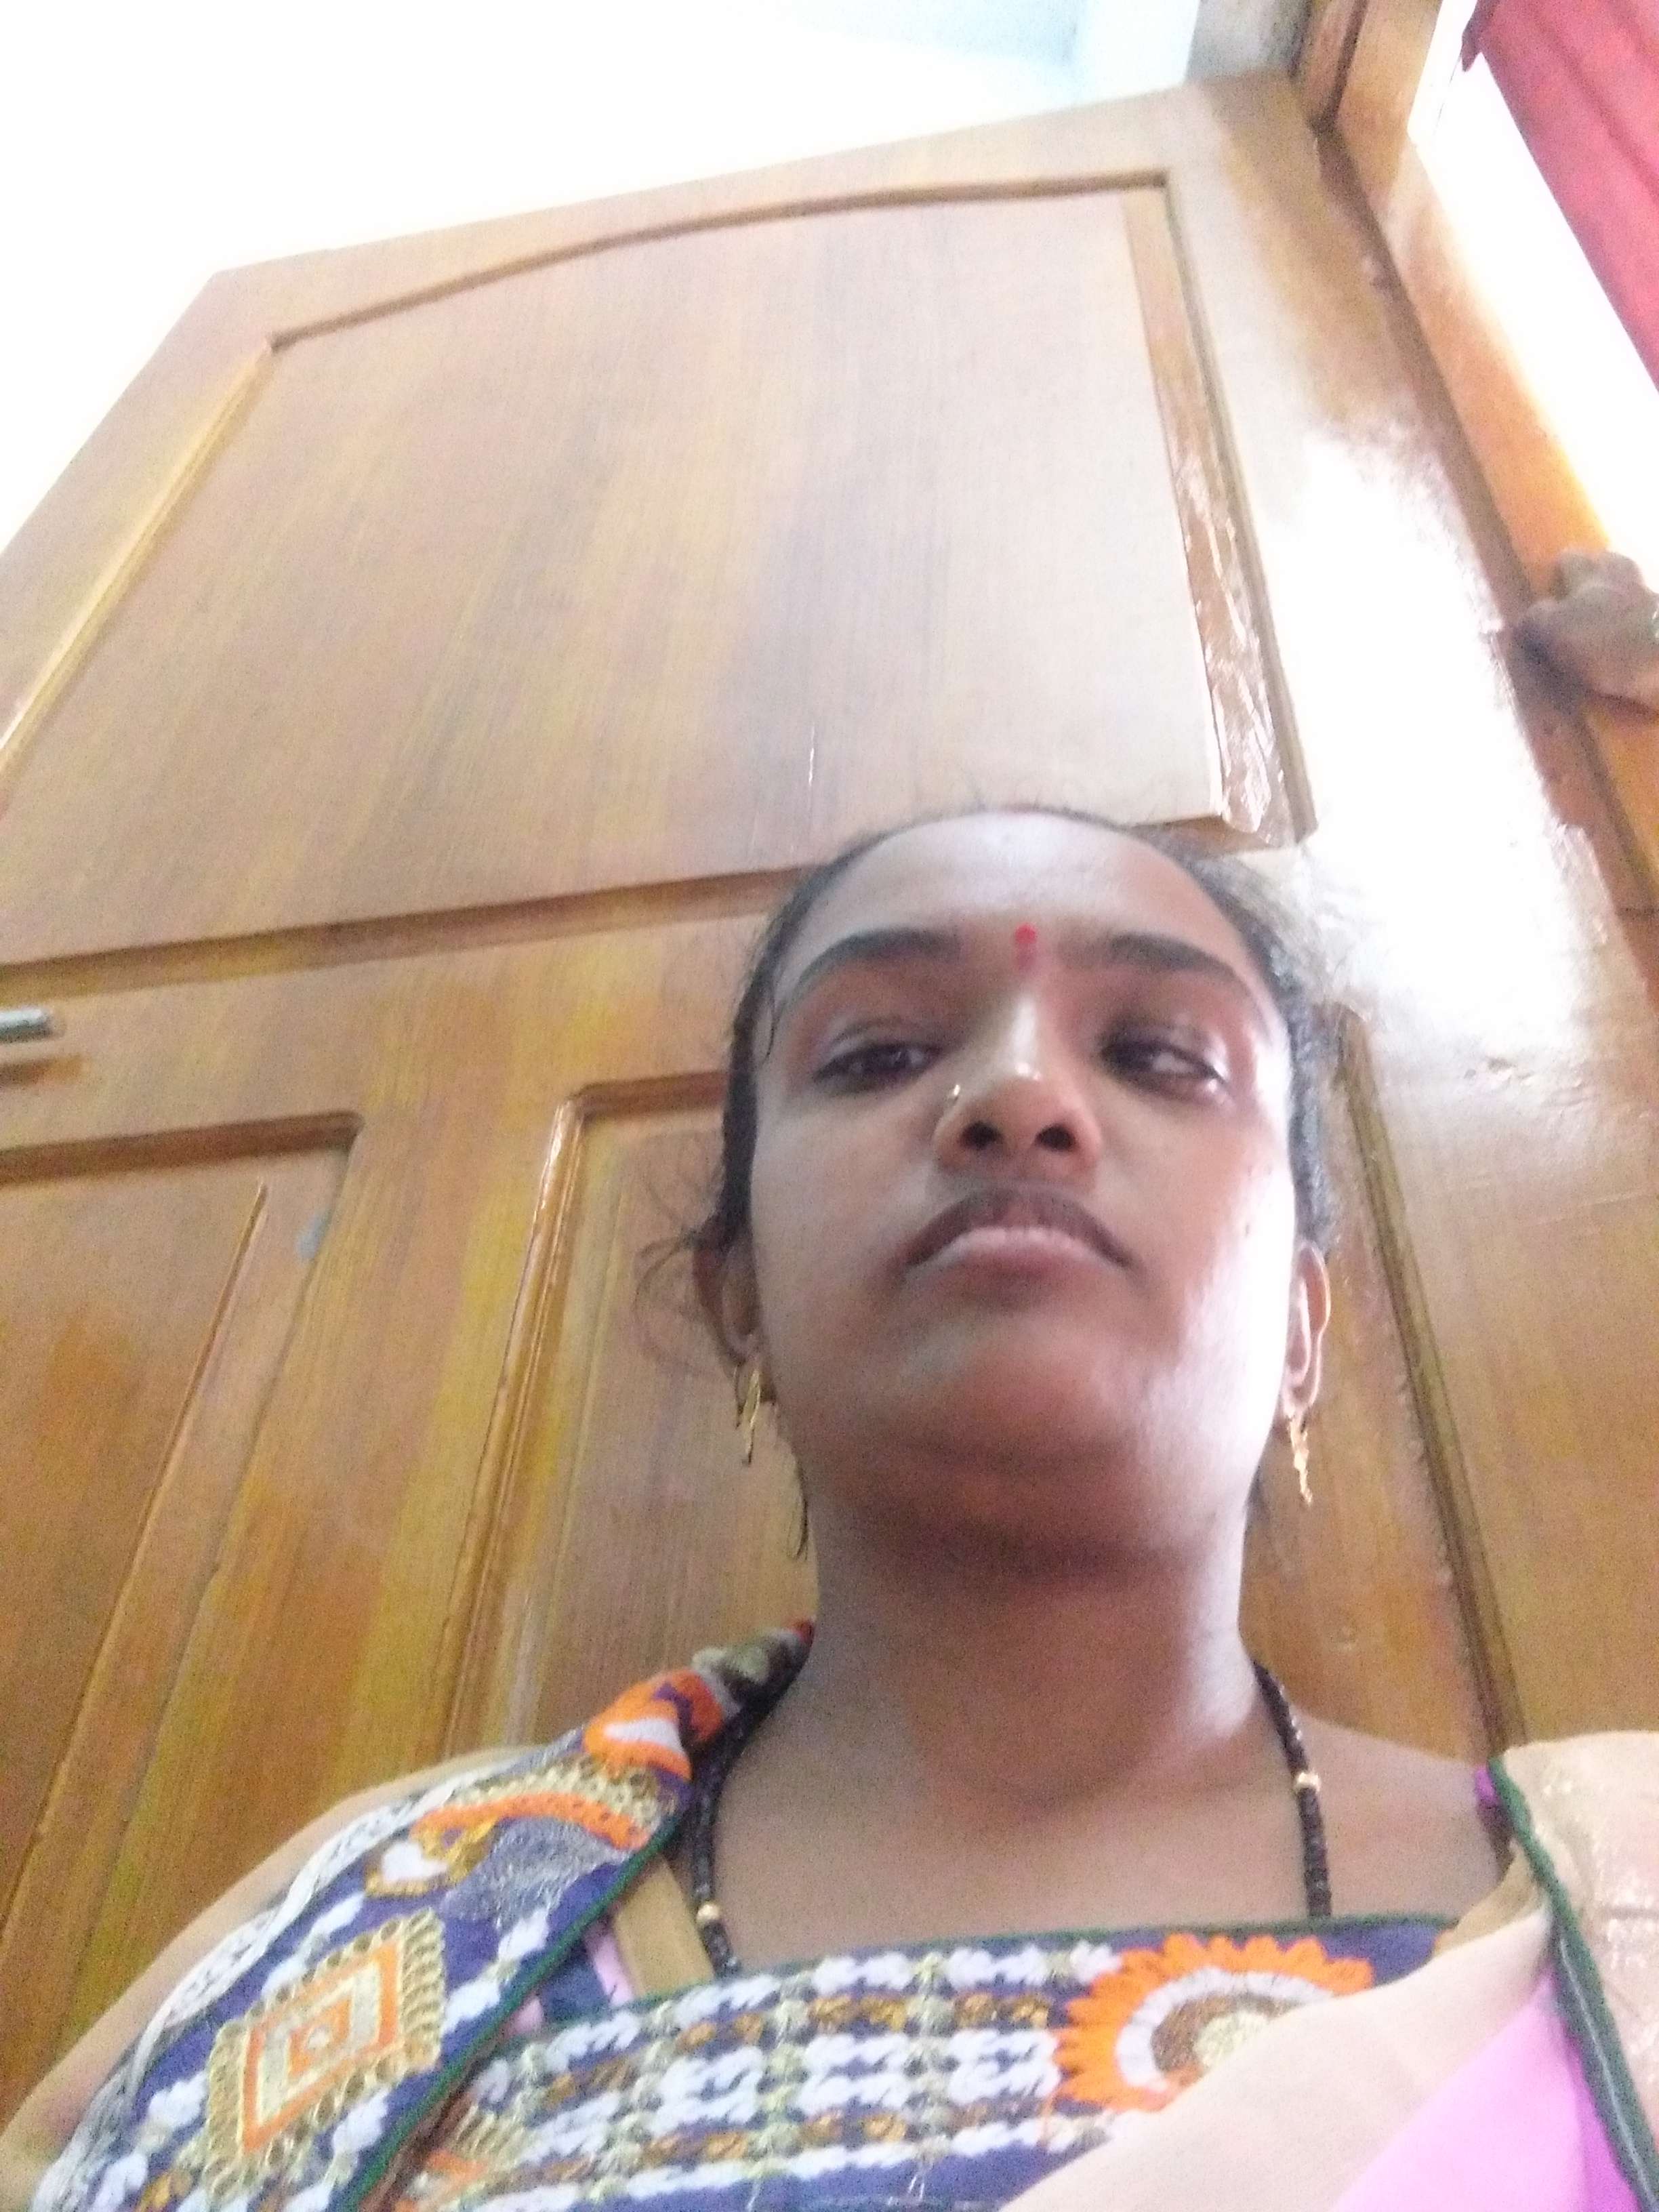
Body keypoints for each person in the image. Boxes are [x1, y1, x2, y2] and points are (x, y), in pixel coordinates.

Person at [5, 808, 1655, 2212]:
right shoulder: (383, 1922)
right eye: (877, 1055)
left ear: (1300, 1326)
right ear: (739, 1304)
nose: (1019, 1099)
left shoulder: (1618, 1916)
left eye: (1159, 1055)